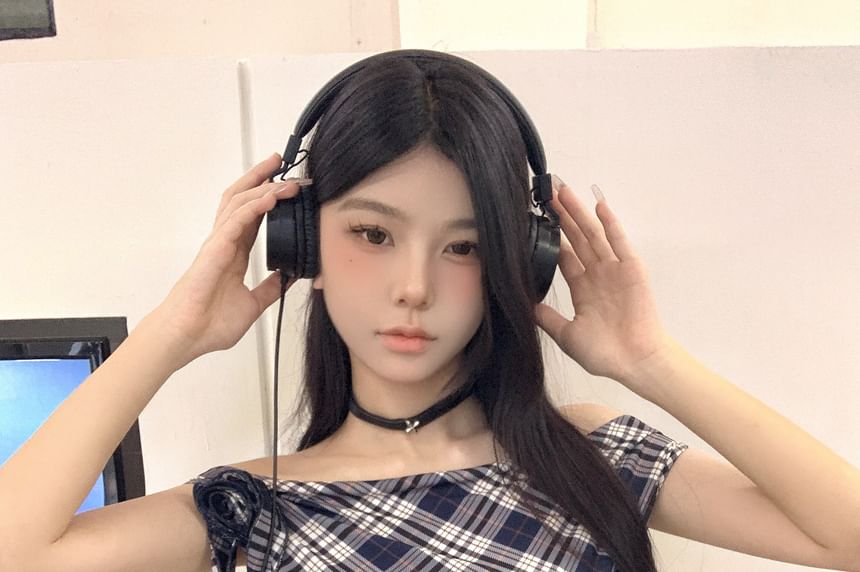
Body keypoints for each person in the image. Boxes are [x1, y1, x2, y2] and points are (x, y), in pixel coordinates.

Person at [1, 51, 859, 572]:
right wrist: (174, 332)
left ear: (519, 264)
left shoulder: (590, 458)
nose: (414, 287)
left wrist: (651, 362)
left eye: (466, 246)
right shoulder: (249, 507)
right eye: (373, 234)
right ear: (302, 244)